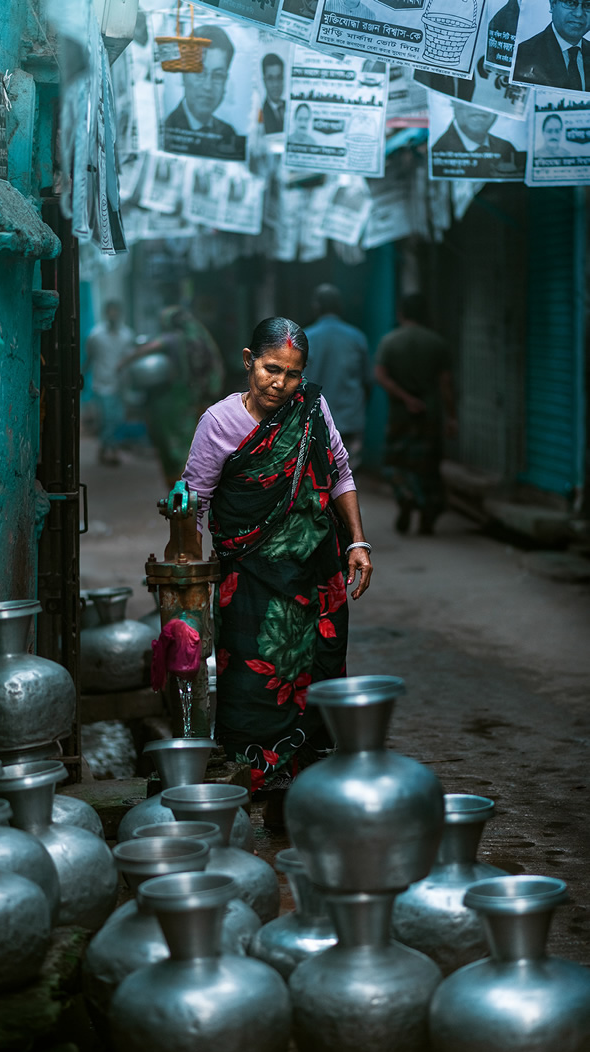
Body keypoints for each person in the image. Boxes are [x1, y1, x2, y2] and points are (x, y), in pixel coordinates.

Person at [183, 316, 373, 810]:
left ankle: (313, 769)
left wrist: (357, 541)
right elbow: (196, 499)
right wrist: (193, 572)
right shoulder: (219, 423)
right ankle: (256, 770)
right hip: (249, 574)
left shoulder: (311, 408)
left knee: (319, 663)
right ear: (249, 361)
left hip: (316, 566)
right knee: (253, 671)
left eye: (292, 373)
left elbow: (340, 471)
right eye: (271, 369)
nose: (280, 383)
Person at [374, 294, 457, 536]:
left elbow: (380, 375)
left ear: (402, 314)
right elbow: (445, 384)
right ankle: (427, 515)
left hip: (400, 415)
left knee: (395, 462)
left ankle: (406, 495)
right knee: (428, 466)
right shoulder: (437, 342)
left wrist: (404, 398)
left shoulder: (389, 342)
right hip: (430, 414)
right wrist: (451, 416)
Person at [123, 304, 224, 486]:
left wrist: (123, 362)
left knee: (175, 443)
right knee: (196, 441)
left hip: (179, 397)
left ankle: (181, 486)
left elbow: (149, 348)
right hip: (203, 397)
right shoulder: (201, 336)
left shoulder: (173, 339)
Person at [304, 284, 371, 471]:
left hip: (317, 421)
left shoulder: (305, 338)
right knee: (347, 478)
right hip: (350, 420)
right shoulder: (357, 337)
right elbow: (368, 382)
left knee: (318, 478)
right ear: (340, 306)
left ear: (316, 307)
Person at [164, 25, 243, 160]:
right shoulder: (165, 128)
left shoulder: (229, 133)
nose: (208, 86)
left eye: (218, 75)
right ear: (184, 74)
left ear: (225, 81)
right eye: (199, 72)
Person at [84, 300, 135, 466]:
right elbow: (89, 358)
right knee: (106, 418)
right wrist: (82, 376)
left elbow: (131, 358)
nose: (113, 315)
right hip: (101, 383)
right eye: (110, 311)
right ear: (106, 313)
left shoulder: (127, 335)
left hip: (120, 384)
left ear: (120, 313)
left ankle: (107, 448)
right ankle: (110, 451)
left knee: (117, 418)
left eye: (116, 311)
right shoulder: (95, 335)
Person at [513, 0, 590, 90]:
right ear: (553, 5)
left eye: (588, 5)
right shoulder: (522, 55)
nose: (579, 14)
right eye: (570, 3)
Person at [261, 53, 286, 134]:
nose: (275, 84)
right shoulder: (261, 112)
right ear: (264, 81)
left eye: (279, 78)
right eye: (270, 79)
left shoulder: (289, 107)